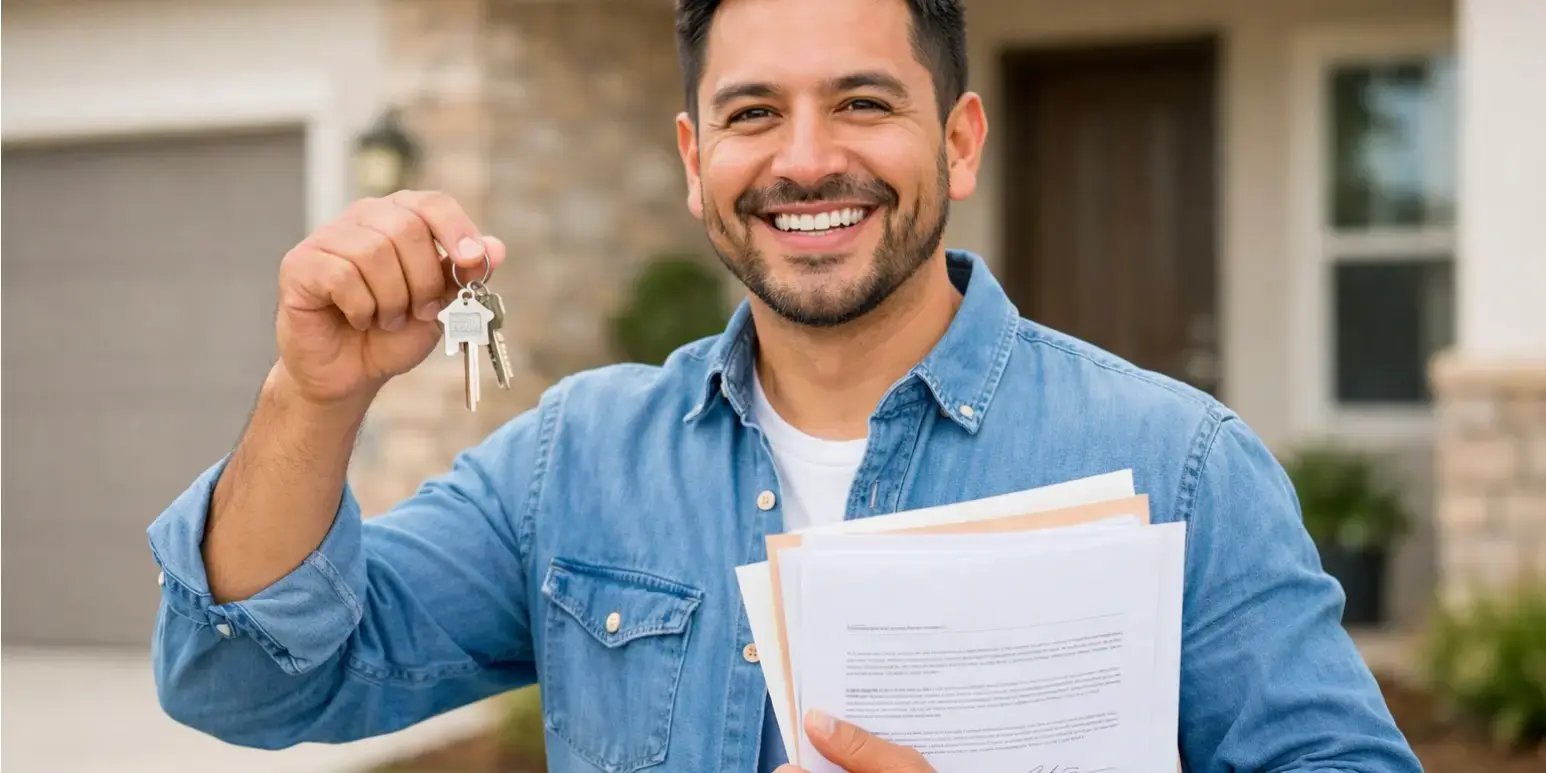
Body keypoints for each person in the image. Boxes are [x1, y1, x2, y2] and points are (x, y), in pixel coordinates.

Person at [147, 0, 1422, 770]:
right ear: (697, 159)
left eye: (861, 102)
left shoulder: (1176, 461)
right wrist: (309, 397)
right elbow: (251, 682)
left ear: (957, 139)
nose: (806, 161)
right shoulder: (573, 458)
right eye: (754, 114)